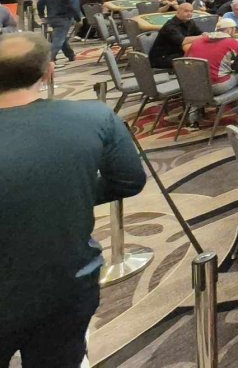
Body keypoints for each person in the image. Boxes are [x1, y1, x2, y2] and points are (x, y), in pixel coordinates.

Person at [0, 32, 146, 367]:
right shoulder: (95, 117)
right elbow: (129, 181)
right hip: (67, 283)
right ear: (49, 71)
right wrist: (68, 192)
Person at [183, 17, 238, 125]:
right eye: (234, 29)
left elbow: (186, 60)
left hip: (193, 85)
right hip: (217, 86)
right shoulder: (232, 42)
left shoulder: (197, 41)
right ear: (230, 30)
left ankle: (194, 112)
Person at [36, 0, 82, 67]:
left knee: (60, 37)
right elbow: (74, 6)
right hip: (64, 17)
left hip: (51, 18)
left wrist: (41, 15)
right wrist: (78, 18)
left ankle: (70, 55)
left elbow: (40, 4)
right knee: (58, 39)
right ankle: (49, 59)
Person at [148, 1, 204, 70]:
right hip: (161, 58)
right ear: (178, 12)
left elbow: (200, 33)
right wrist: (203, 37)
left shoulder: (190, 22)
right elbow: (183, 41)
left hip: (176, 53)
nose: (189, 14)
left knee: (199, 54)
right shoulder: (170, 26)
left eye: (191, 11)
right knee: (196, 60)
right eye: (186, 11)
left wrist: (206, 35)